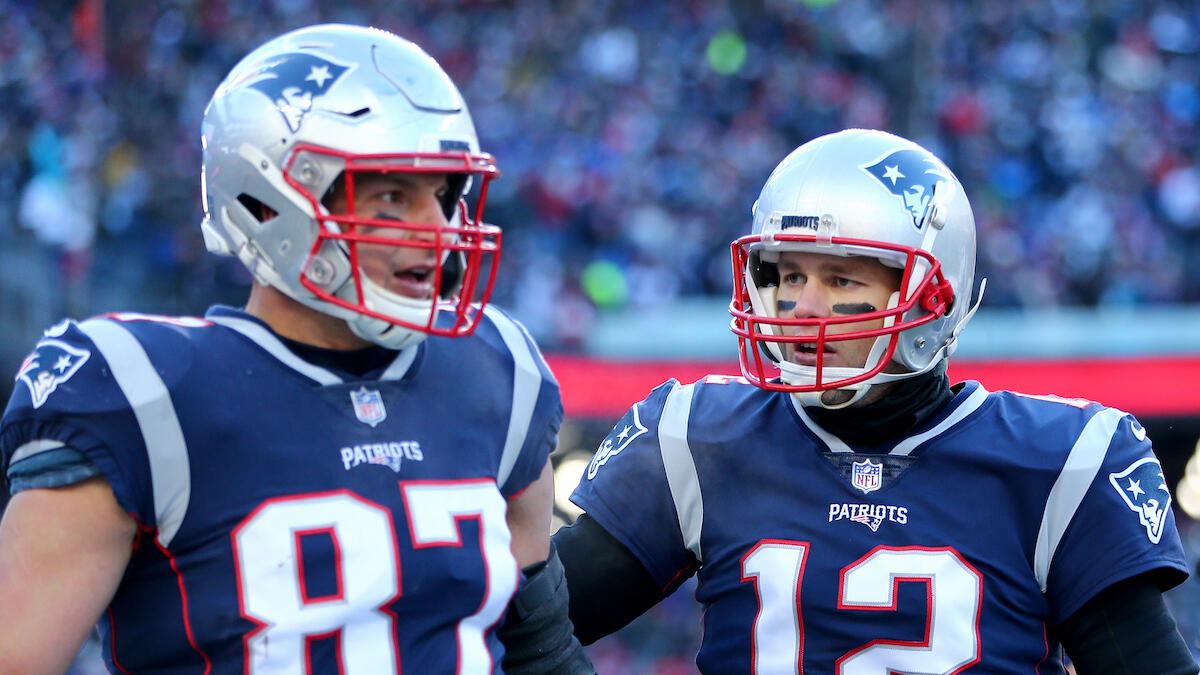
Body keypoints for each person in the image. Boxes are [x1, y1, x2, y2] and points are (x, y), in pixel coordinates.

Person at [0, 24, 591, 675]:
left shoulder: (495, 369)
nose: (438, 229)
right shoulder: (140, 391)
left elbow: (541, 651)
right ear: (268, 201)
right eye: (393, 196)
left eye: (444, 194)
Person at [547, 129, 1199, 674]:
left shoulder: (1060, 461)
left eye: (840, 278)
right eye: (790, 274)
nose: (803, 307)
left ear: (932, 297)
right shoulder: (700, 438)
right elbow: (526, 627)